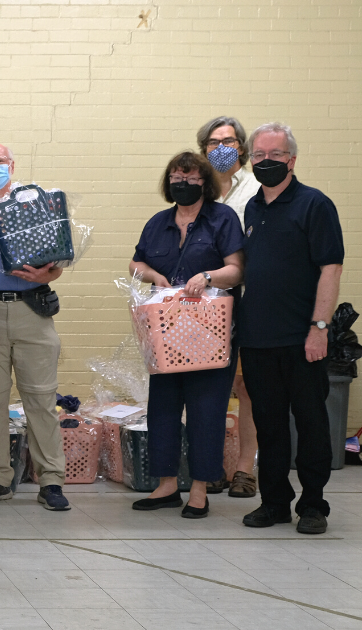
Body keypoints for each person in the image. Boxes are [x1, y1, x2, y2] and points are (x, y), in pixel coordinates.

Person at [238, 123, 344, 535]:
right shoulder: (252, 208)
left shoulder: (315, 205)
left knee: (312, 423)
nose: (266, 161)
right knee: (269, 425)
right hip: (258, 338)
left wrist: (319, 327)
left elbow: (330, 268)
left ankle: (314, 504)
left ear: (292, 160)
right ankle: (276, 503)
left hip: (303, 339)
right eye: (259, 155)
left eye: (275, 155)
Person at [128, 151, 243, 518]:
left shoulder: (222, 219)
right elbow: (136, 262)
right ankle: (165, 486)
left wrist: (207, 277)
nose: (184, 184)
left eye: (192, 178)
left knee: (205, 410)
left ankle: (198, 489)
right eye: (177, 177)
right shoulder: (158, 222)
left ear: (205, 183)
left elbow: (237, 270)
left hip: (210, 331)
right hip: (166, 334)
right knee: (161, 408)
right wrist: (153, 276)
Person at [0, 143, 71, 511]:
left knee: (40, 397)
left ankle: (51, 479)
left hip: (32, 310)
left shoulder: (36, 205)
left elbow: (59, 259)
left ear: (12, 166)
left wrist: (49, 271)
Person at [197, 116, 262, 498]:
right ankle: (212, 467)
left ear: (241, 147)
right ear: (203, 147)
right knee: (208, 388)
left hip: (249, 299)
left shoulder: (256, 188)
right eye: (214, 141)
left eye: (230, 140)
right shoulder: (196, 190)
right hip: (203, 303)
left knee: (246, 386)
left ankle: (244, 470)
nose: (222, 147)